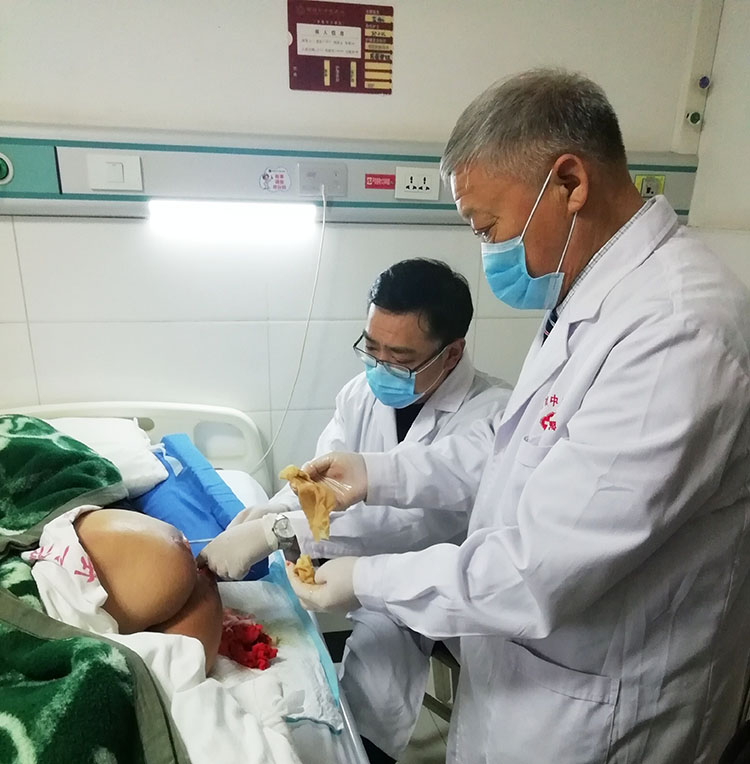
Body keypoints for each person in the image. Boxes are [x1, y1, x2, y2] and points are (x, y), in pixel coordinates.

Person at [285, 69, 750, 764]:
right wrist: (378, 473)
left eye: (489, 226)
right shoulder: (591, 300)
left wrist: (365, 578)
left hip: (605, 711)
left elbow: (535, 568)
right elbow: (517, 457)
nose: (489, 250)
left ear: (570, 183)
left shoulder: (677, 332)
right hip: (524, 679)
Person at [198, 258, 512, 760]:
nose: (380, 366)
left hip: (447, 580)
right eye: (371, 346)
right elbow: (322, 479)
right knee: (359, 659)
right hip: (373, 571)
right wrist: (272, 510)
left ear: (451, 353)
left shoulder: (495, 417)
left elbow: (410, 525)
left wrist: (280, 531)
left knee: (381, 658)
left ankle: (363, 750)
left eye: (400, 357)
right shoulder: (361, 393)